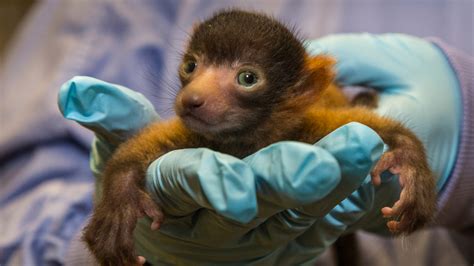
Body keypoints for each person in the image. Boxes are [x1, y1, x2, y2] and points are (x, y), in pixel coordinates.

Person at [1, 1, 472, 265]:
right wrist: (115, 229)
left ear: (304, 90)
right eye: (192, 66)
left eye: (246, 78)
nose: (193, 94)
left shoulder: (315, 120)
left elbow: (394, 136)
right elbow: (129, 164)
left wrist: (453, 177)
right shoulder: (186, 135)